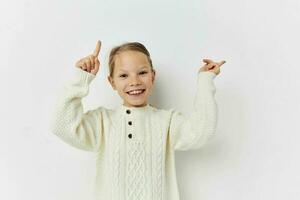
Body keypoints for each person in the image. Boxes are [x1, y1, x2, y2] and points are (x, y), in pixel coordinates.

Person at [50, 40, 226, 200]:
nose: (134, 81)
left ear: (152, 76)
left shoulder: (167, 122)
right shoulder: (102, 122)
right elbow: (61, 125)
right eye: (123, 76)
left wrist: (205, 81)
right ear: (112, 82)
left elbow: (201, 132)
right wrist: (80, 79)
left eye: (142, 72)